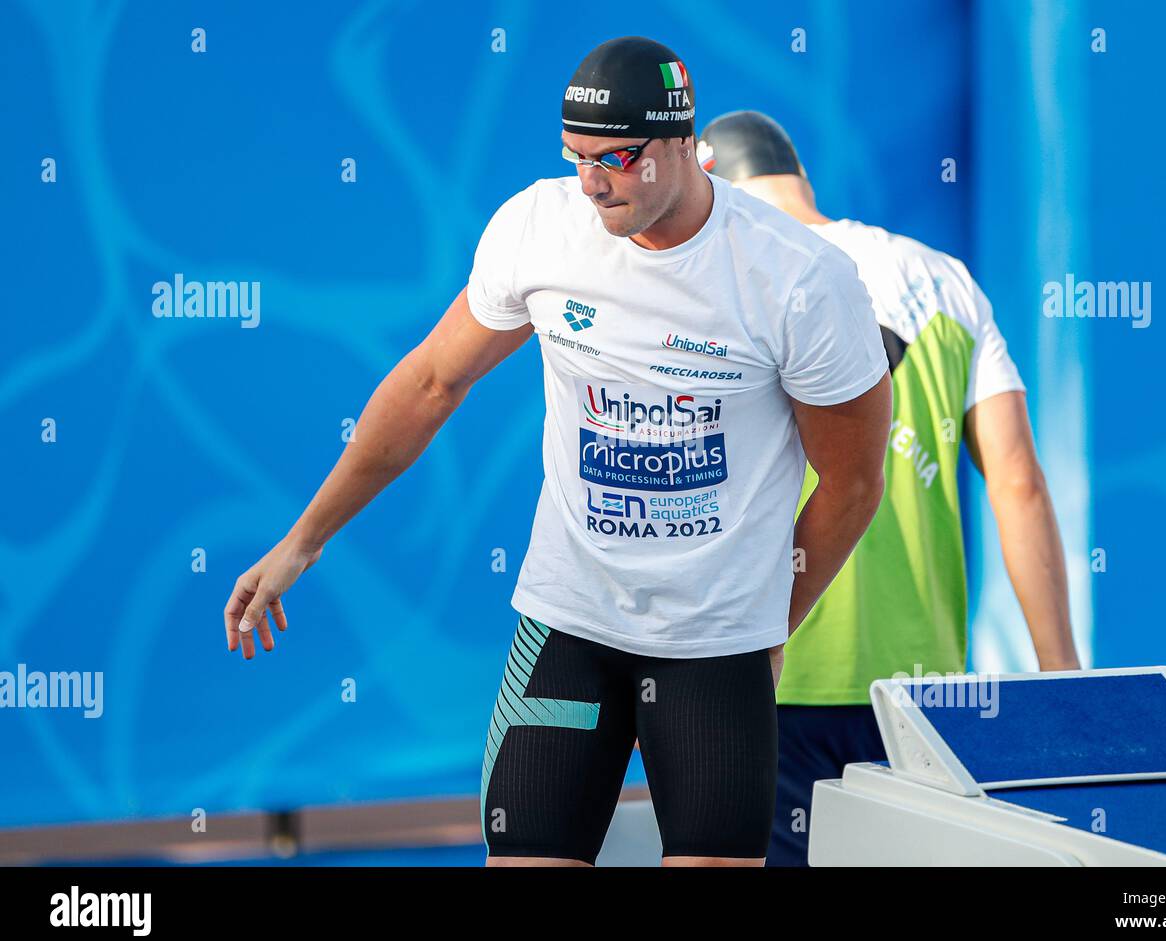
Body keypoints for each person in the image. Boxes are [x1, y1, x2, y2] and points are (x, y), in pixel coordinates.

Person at [224, 42, 893, 867]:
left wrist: (769, 621)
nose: (591, 184)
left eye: (616, 158)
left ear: (685, 144)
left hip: (714, 646)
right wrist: (305, 538)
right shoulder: (541, 228)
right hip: (570, 623)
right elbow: (431, 382)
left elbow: (856, 481)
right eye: (575, 156)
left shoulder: (796, 278)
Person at [698, 110, 1079, 867]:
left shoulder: (726, 277)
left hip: (768, 669)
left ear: (716, 191)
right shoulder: (942, 277)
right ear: (799, 181)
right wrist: (1062, 678)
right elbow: (1018, 484)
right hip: (926, 692)